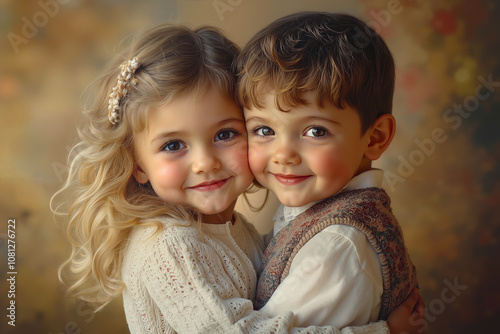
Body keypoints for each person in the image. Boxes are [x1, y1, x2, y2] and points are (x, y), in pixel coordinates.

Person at [52, 22, 423, 333]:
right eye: (173, 145)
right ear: (138, 164)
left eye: (225, 134)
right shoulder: (169, 247)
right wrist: (383, 330)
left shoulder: (235, 229)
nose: (205, 163)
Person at [238, 11, 420, 329]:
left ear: (374, 138)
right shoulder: (317, 207)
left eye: (315, 132)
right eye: (264, 130)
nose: (283, 155)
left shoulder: (337, 246)